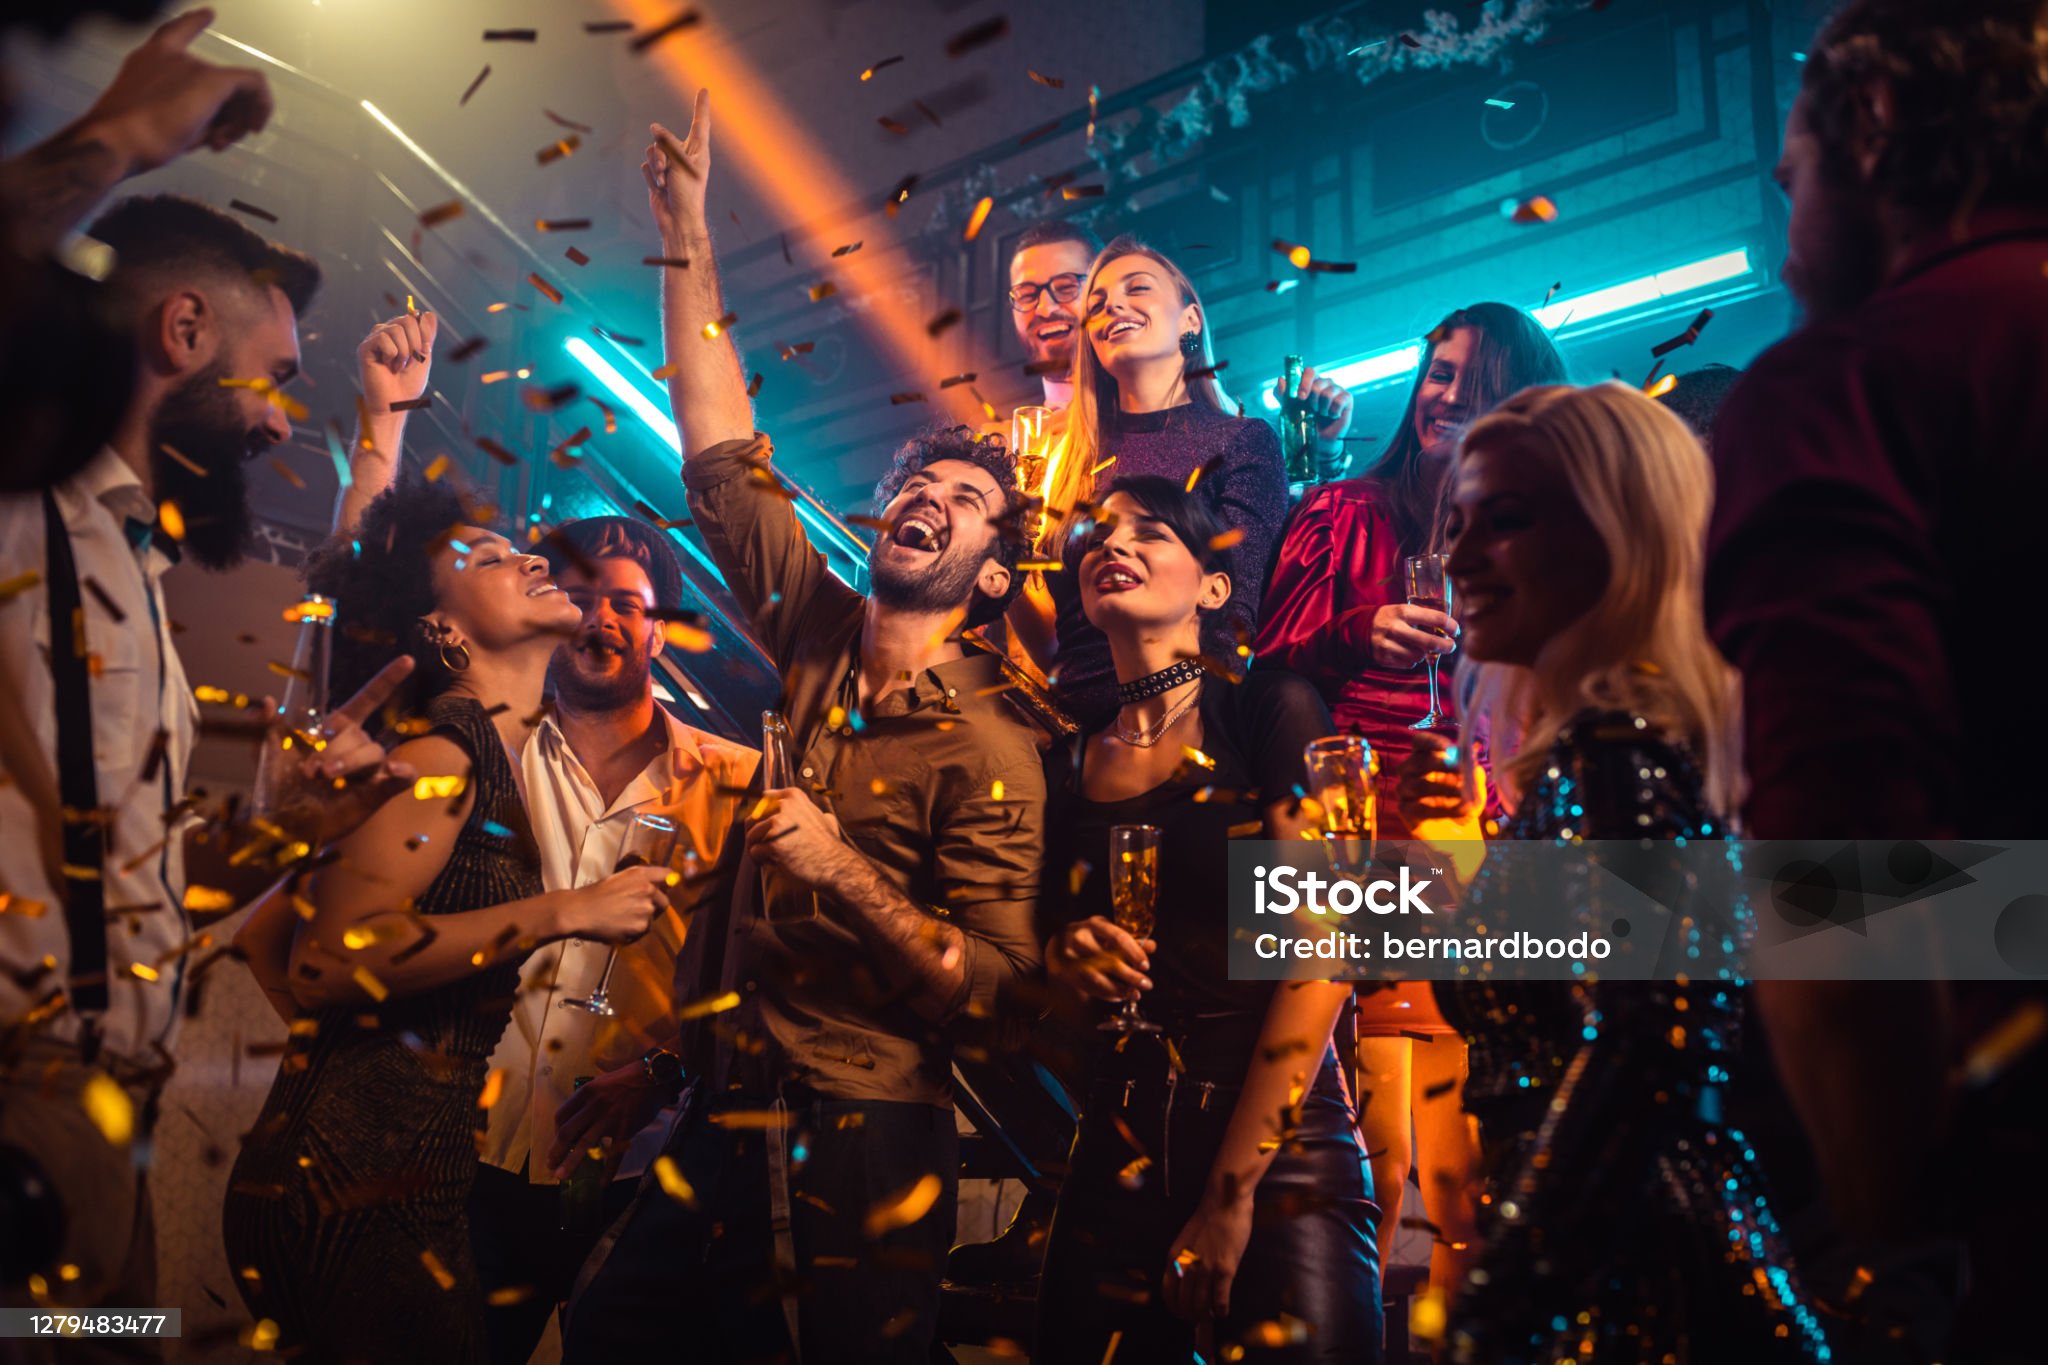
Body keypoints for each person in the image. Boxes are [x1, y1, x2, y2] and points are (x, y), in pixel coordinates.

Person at [561, 90, 1049, 1364]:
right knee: (608, 1337)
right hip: (723, 1105)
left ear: (993, 574)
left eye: (965, 501)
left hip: (861, 1133)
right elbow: (720, 455)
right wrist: (685, 230)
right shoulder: (819, 628)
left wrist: (840, 870)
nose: (929, 497)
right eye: (918, 484)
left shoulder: (989, 746)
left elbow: (1000, 995)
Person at [308, 321, 762, 1364]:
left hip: (634, 1175)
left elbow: (756, 977)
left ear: (661, 630)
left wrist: (663, 1069)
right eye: (579, 594)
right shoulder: (485, 748)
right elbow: (362, 603)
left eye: (626, 605)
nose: (600, 619)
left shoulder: (737, 783)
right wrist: (382, 423)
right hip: (457, 1159)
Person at [1703, 2, 2048, 1357]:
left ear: (1874, 119)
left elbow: (1846, 881)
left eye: (1792, 162)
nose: (1778, 190)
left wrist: (1892, 1224)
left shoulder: (1848, 389)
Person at [1393, 382, 1827, 1364]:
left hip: (1639, 1285)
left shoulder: (1615, 755)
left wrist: (1499, 1306)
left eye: (1505, 520)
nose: (1456, 557)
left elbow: (1648, 1047)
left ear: (1616, 538)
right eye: (1456, 524)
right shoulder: (1596, 756)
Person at [220, 478, 672, 1363]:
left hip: (384, 1172)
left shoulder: (479, 751)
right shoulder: (447, 752)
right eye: (492, 558)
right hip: (359, 1186)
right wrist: (564, 910)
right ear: (442, 630)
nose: (533, 557)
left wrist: (370, 1055)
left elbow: (262, 938)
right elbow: (322, 960)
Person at [0, 191, 318, 1334]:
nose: (281, 426)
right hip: (21, 1105)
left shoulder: (133, 561)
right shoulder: (20, 515)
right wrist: (118, 139)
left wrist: (287, 833)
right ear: (183, 331)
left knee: (127, 1340)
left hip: (106, 1114)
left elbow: (134, 876)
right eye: (275, 380)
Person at [1252, 300, 1567, 1301]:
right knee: (1380, 1168)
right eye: (1437, 372)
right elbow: (1266, 678)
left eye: (1474, 381)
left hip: (1480, 844)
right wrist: (1359, 627)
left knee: (1469, 1177)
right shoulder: (1341, 511)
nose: (1445, 395)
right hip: (1361, 839)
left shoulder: (1540, 548)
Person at [1032, 472, 1380, 1363]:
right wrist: (1066, 959)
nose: (1113, 545)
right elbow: (1048, 979)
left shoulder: (1268, 707)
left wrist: (1231, 1196)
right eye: (1098, 535)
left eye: (1149, 532)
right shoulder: (1064, 761)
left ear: (1214, 587)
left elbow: (1327, 949)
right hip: (1119, 1130)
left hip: (1279, 1137)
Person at [1009, 236, 1295, 728]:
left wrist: (1177, 728)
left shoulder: (1240, 440)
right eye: (1097, 304)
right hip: (1081, 730)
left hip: (1188, 721)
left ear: (1191, 320)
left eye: (1137, 288)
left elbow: (1233, 621)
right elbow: (1061, 638)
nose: (1112, 306)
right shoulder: (1065, 460)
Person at [1008, 218, 1102, 420]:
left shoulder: (1162, 407)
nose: (1044, 309)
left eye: (1066, 287)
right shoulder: (1013, 435)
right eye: (1027, 295)